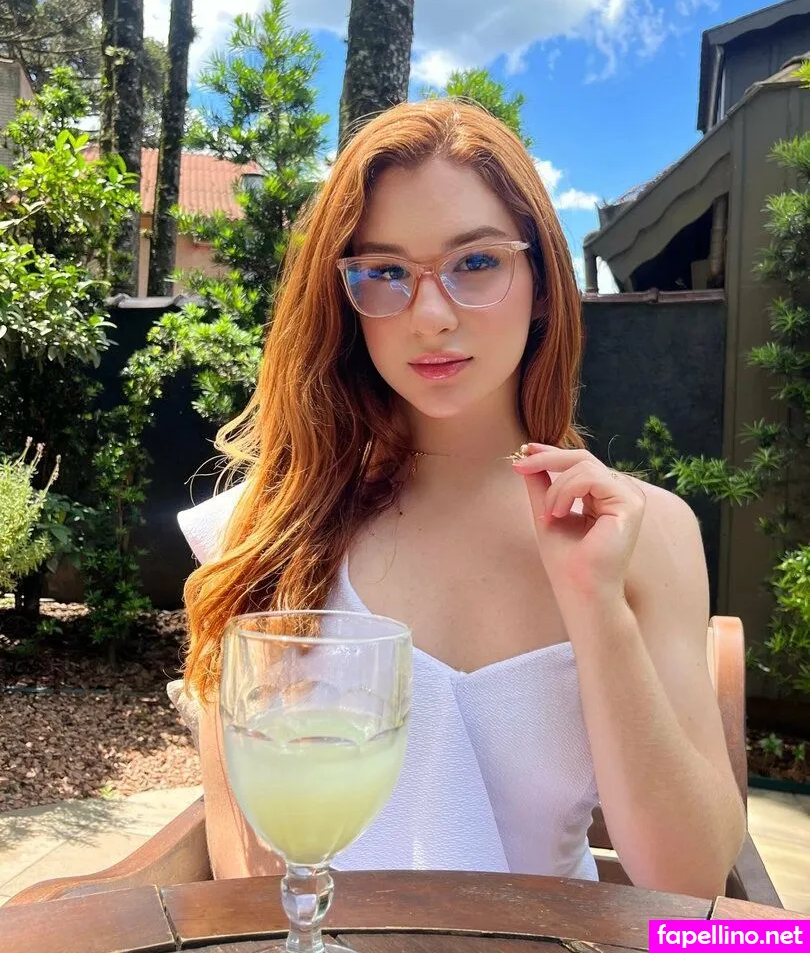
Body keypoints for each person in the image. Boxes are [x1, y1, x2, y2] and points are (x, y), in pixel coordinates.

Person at [171, 98, 745, 897]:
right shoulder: (270, 529)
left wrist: (598, 608)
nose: (431, 316)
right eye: (385, 273)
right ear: (345, 299)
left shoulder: (647, 532)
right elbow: (250, 869)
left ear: (541, 284)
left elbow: (690, 886)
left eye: (476, 262)